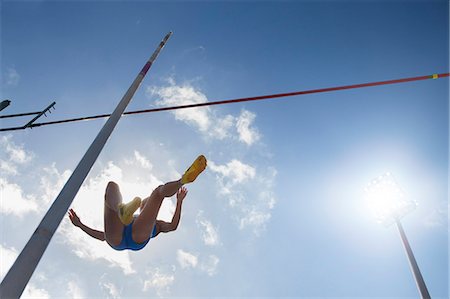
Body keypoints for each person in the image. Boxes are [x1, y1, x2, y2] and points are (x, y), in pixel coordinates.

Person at [68, 155, 207, 251]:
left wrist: (80, 225)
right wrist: (179, 202)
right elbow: (172, 226)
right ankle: (181, 181)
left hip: (118, 237)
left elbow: (101, 236)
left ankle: (119, 209)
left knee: (112, 187)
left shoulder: (155, 223)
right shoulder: (156, 225)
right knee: (158, 193)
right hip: (127, 240)